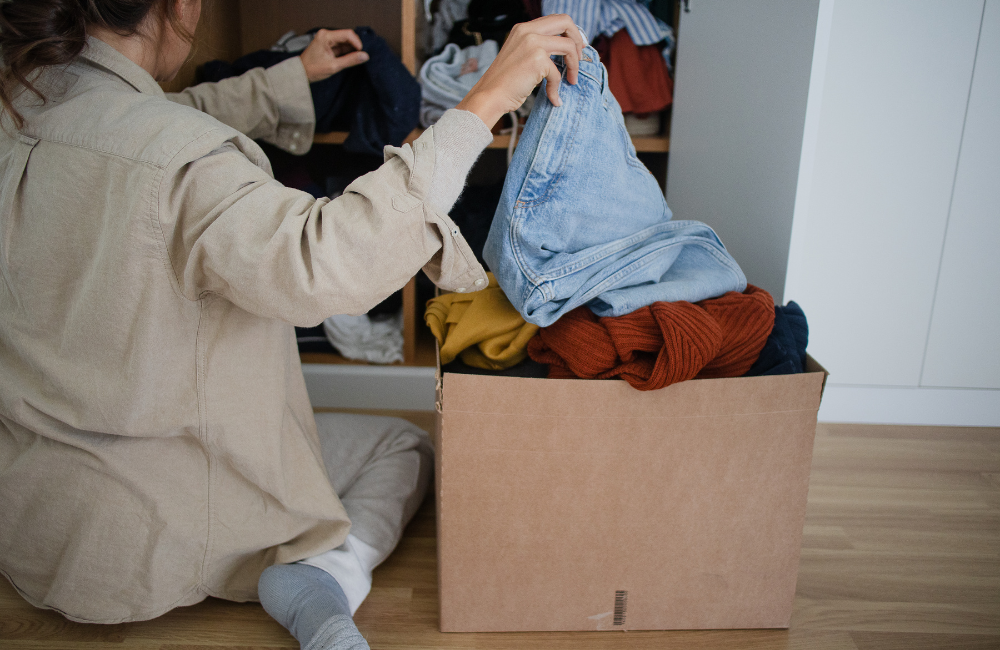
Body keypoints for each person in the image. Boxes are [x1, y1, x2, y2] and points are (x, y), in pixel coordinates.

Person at [0, 1, 585, 648]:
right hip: (160, 520)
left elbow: (149, 126)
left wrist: (289, 79)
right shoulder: (178, 162)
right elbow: (328, 262)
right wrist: (484, 100)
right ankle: (329, 578)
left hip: (33, 519)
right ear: (182, 6)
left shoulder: (23, 101)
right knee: (402, 447)